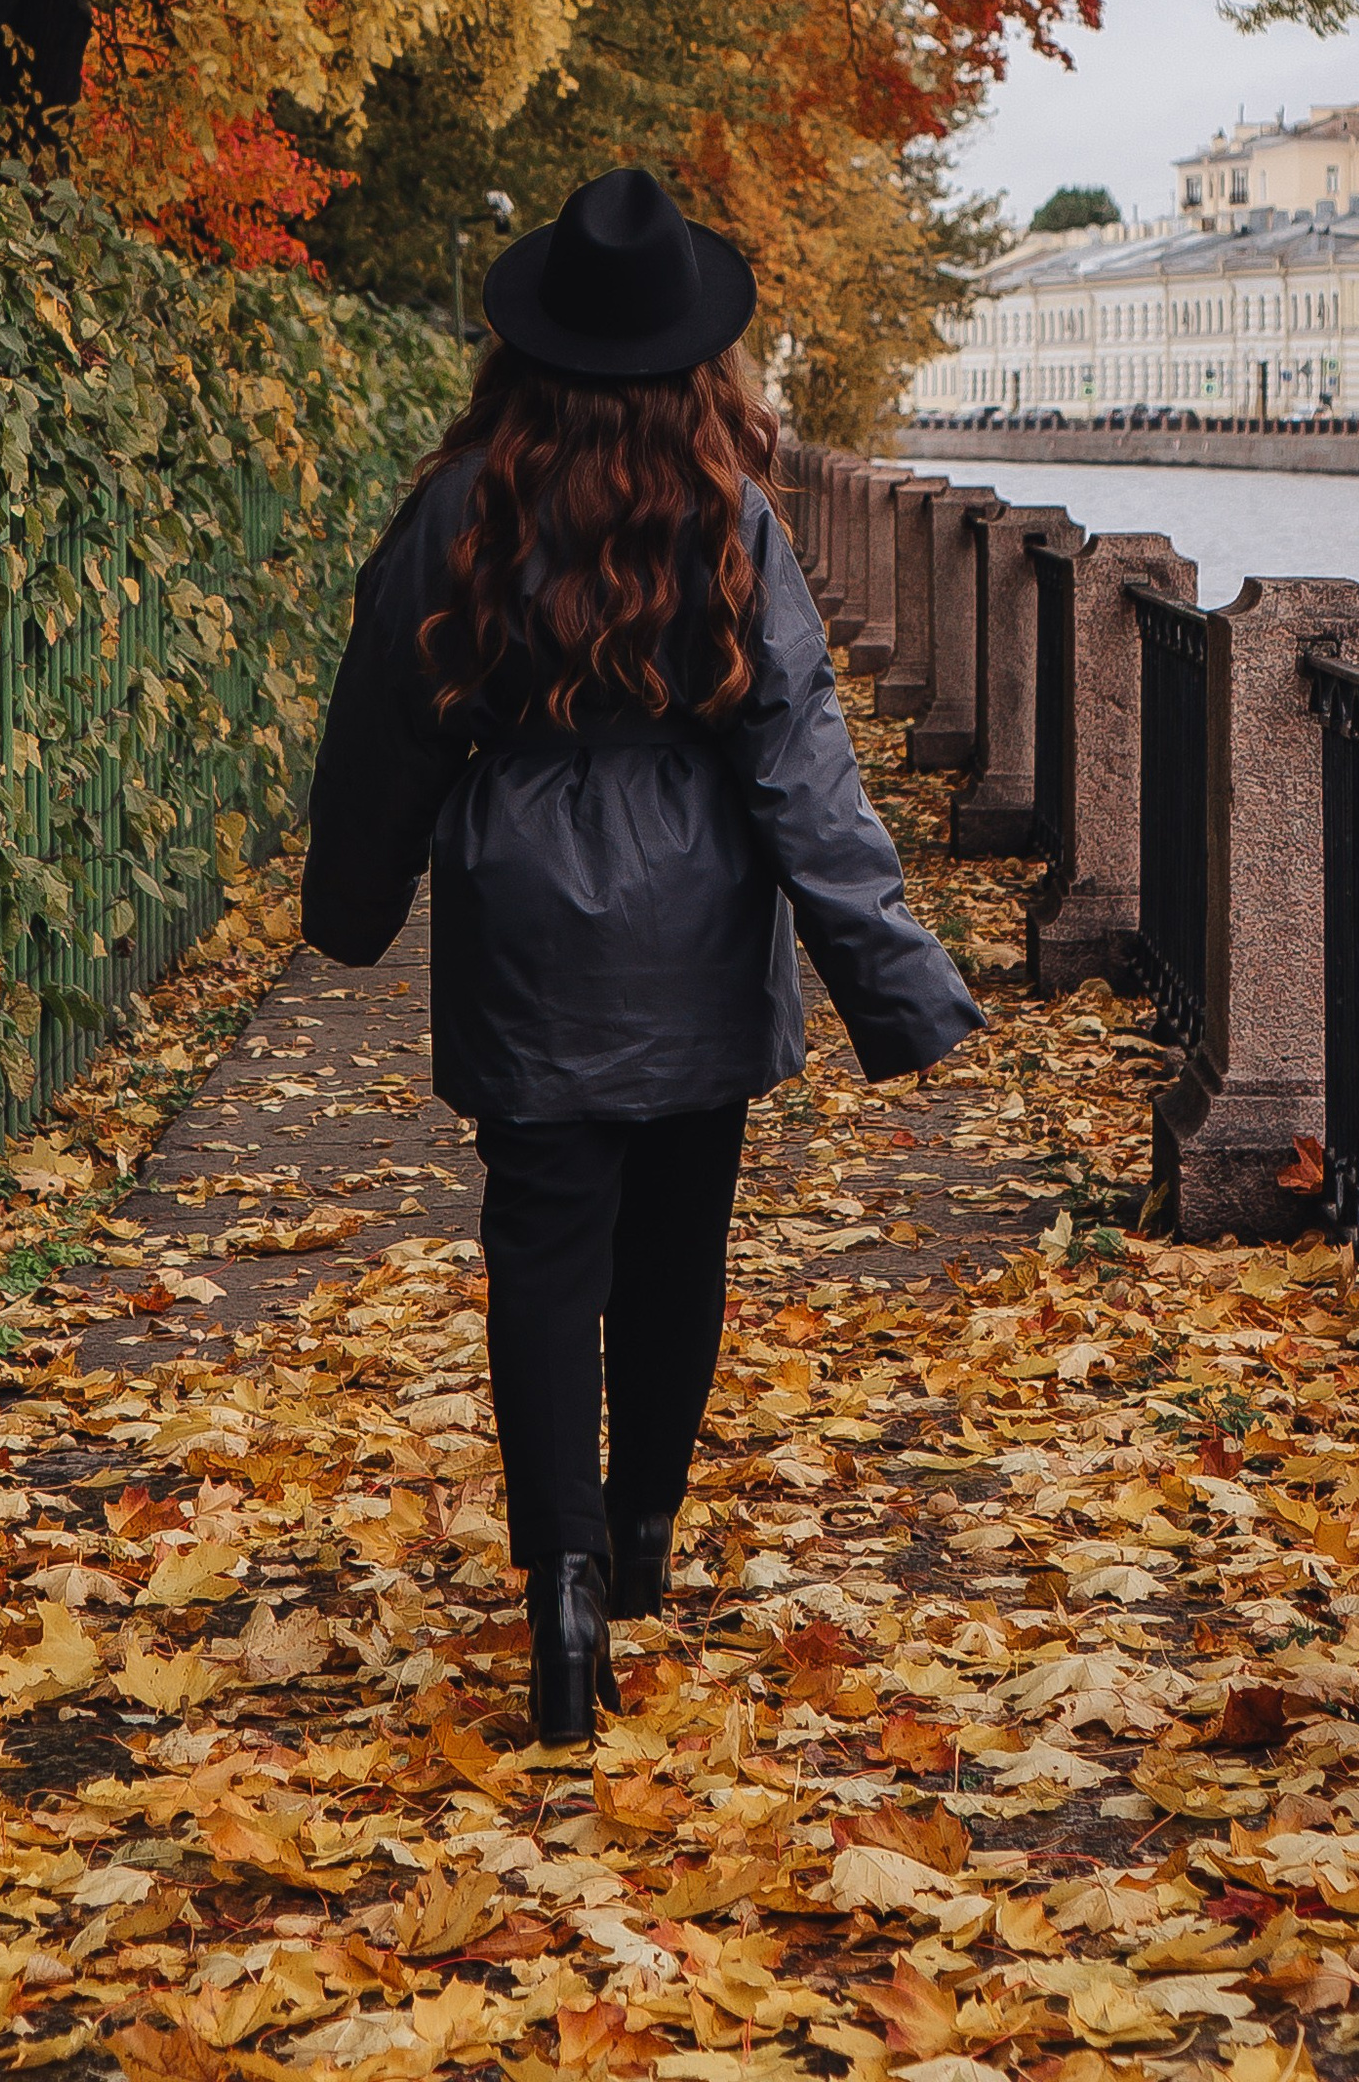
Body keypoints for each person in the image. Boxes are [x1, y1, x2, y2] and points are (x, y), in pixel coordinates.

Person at [301, 166, 982, 1746]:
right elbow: (803, 767)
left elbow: (385, 731)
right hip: (695, 915)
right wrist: (894, 978)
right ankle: (651, 1531)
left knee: (542, 1252)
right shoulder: (732, 519)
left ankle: (563, 1586)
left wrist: (355, 904)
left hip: (524, 913)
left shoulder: (456, 509)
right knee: (678, 1243)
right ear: (700, 362)